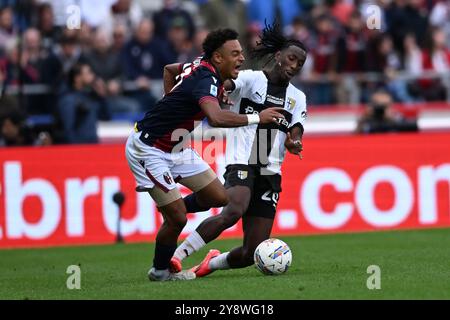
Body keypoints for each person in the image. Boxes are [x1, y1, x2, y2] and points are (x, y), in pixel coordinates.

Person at [125, 28, 285, 282]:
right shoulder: (206, 79)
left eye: (241, 53)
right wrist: (258, 116)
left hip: (175, 146)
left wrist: (171, 101)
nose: (241, 58)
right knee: (177, 220)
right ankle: (159, 271)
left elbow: (169, 69)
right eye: (235, 53)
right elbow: (216, 117)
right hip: (148, 148)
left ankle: (168, 205)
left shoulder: (201, 65)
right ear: (218, 58)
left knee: (218, 196)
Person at [168, 22, 308, 278]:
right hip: (242, 161)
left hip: (270, 171)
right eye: (291, 58)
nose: (294, 65)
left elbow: (296, 129)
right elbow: (229, 84)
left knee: (251, 254)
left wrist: (294, 141)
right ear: (278, 57)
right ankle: (177, 256)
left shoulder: (298, 97)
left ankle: (209, 264)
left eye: (300, 63)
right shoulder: (252, 79)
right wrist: (222, 92)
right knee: (233, 211)